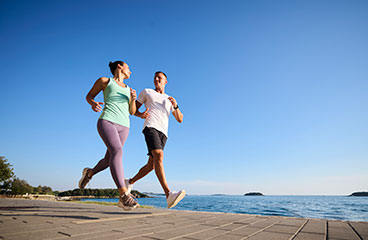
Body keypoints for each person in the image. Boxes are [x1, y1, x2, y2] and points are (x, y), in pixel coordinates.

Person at [78, 60, 139, 210]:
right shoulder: (105, 81)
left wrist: (132, 99)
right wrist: (93, 103)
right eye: (128, 67)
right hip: (107, 121)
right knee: (117, 151)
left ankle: (89, 173)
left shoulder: (129, 89)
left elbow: (132, 112)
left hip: (125, 126)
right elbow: (89, 96)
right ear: (120, 66)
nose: (130, 71)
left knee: (109, 159)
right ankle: (124, 195)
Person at [125, 71, 186, 209]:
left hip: (164, 133)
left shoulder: (170, 99)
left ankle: (129, 181)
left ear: (166, 81)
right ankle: (168, 194)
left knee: (152, 165)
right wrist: (141, 114)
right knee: (159, 155)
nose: (156, 79)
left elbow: (180, 119)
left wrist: (175, 106)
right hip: (150, 127)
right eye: (155, 77)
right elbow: (133, 110)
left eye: (160, 77)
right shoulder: (147, 92)